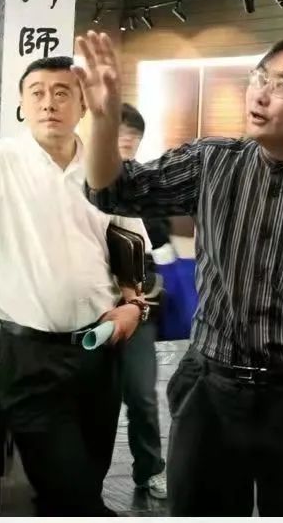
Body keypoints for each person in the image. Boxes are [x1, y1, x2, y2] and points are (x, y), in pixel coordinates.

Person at [74, 32, 283, 516]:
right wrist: (102, 118)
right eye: (260, 78)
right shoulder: (213, 161)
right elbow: (111, 191)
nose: (260, 94)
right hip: (211, 387)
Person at [0, 56, 145, 516]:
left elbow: (133, 249)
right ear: (22, 105)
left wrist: (133, 306)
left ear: (82, 104)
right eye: (37, 93)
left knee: (87, 480)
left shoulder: (106, 166)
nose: (49, 103)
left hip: (100, 352)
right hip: (31, 358)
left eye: (62, 93)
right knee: (71, 494)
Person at [115, 103, 170, 499]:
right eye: (122, 135)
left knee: (141, 393)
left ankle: (149, 468)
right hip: (91, 304)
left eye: (134, 138)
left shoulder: (145, 184)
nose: (128, 143)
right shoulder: (78, 181)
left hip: (138, 302)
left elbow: (161, 239)